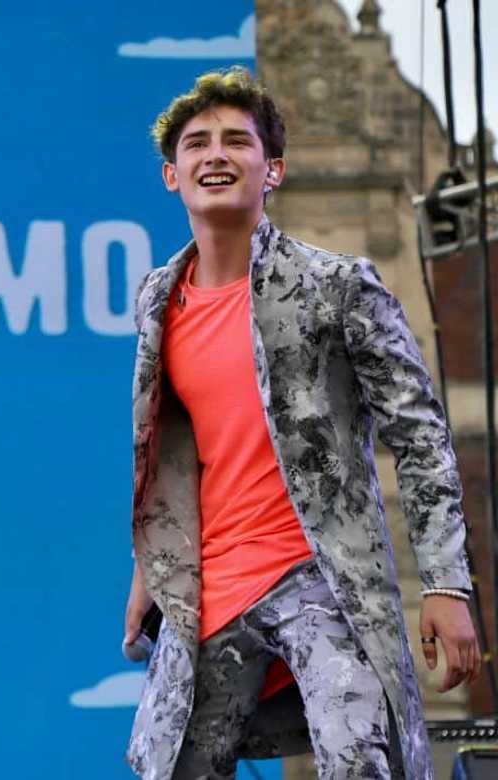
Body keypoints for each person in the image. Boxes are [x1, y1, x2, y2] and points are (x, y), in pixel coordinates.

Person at [122, 67, 481, 780]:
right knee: (174, 768)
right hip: (213, 587)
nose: (215, 155)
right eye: (197, 144)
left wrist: (444, 583)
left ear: (272, 169)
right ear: (172, 175)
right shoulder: (158, 301)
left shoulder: (340, 285)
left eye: (236, 141)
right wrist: (148, 569)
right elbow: (173, 451)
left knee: (357, 763)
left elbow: (419, 435)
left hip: (321, 577)